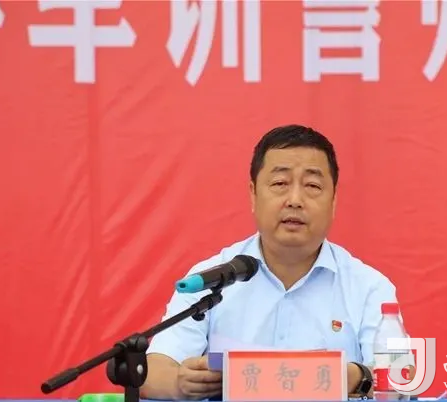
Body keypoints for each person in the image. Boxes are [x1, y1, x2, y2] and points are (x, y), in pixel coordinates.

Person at [140, 125, 401, 400]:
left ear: (334, 200)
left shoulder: (370, 287)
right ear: (253, 194)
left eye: (312, 186)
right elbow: (152, 371)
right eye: (279, 184)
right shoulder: (214, 279)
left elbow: (402, 378)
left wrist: (357, 377)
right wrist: (179, 383)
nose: (295, 200)